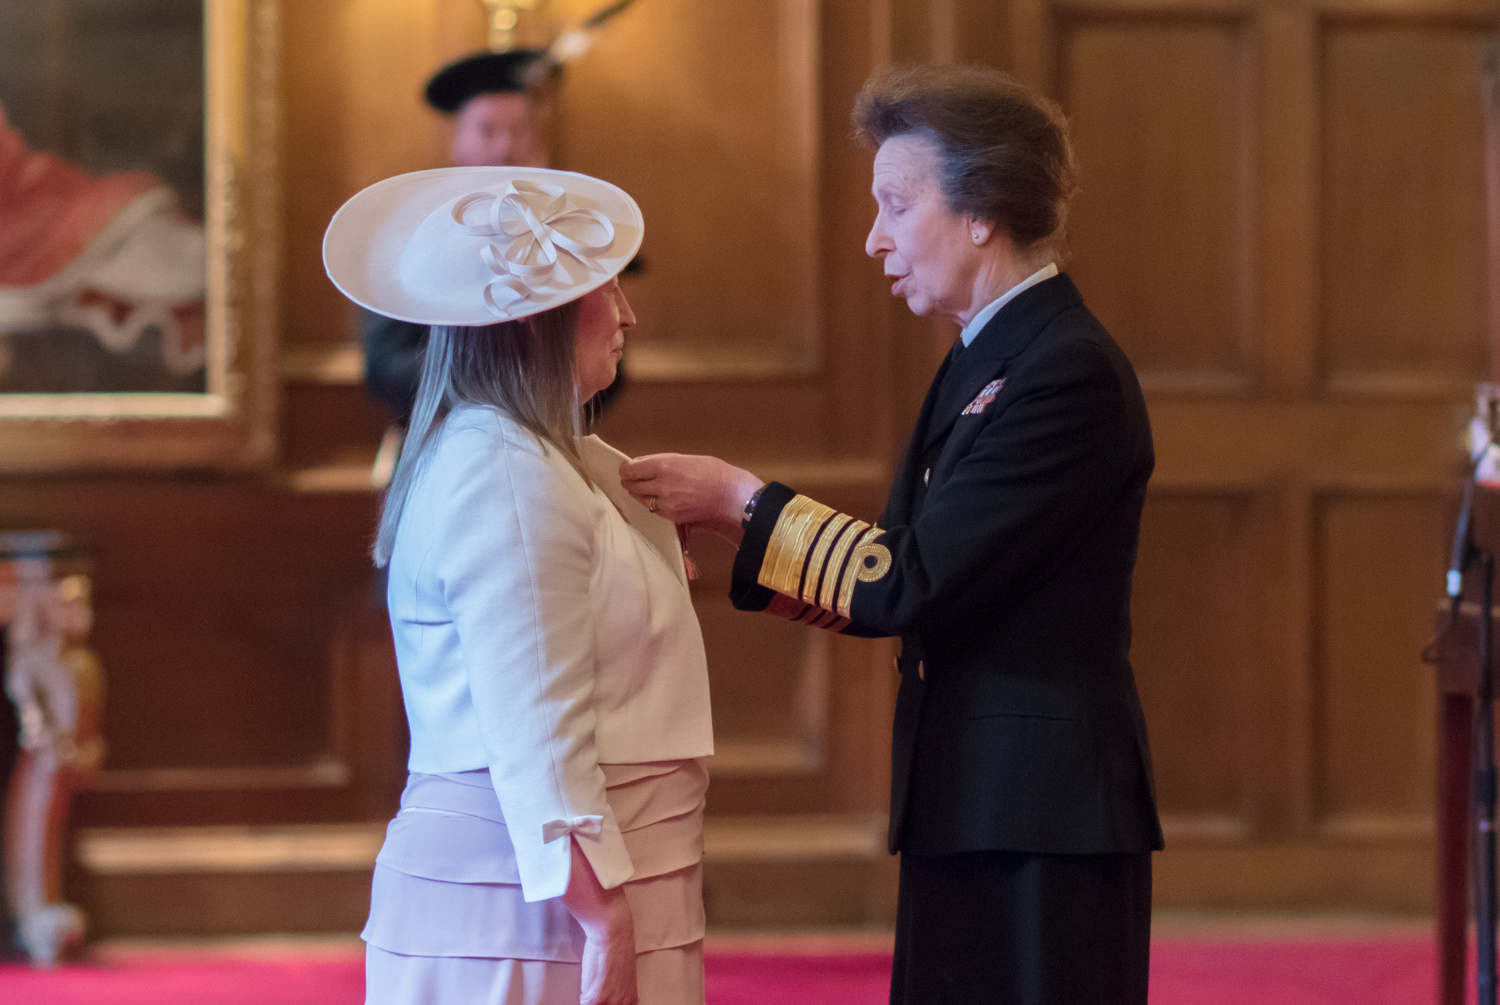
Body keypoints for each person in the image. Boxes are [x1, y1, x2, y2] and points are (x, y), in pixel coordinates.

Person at [619, 65, 1163, 1005]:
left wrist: (743, 503)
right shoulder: (988, 354)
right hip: (978, 792)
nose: (875, 239)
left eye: (897, 205)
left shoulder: (1063, 369)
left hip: (1042, 811)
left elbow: (912, 576)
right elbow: (910, 572)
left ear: (982, 208)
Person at [324, 165, 713, 1005]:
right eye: (607, 288)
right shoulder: (505, 470)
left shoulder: (534, 460)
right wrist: (605, 916)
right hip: (528, 919)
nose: (628, 313)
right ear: (538, 323)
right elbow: (537, 721)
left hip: (550, 903)